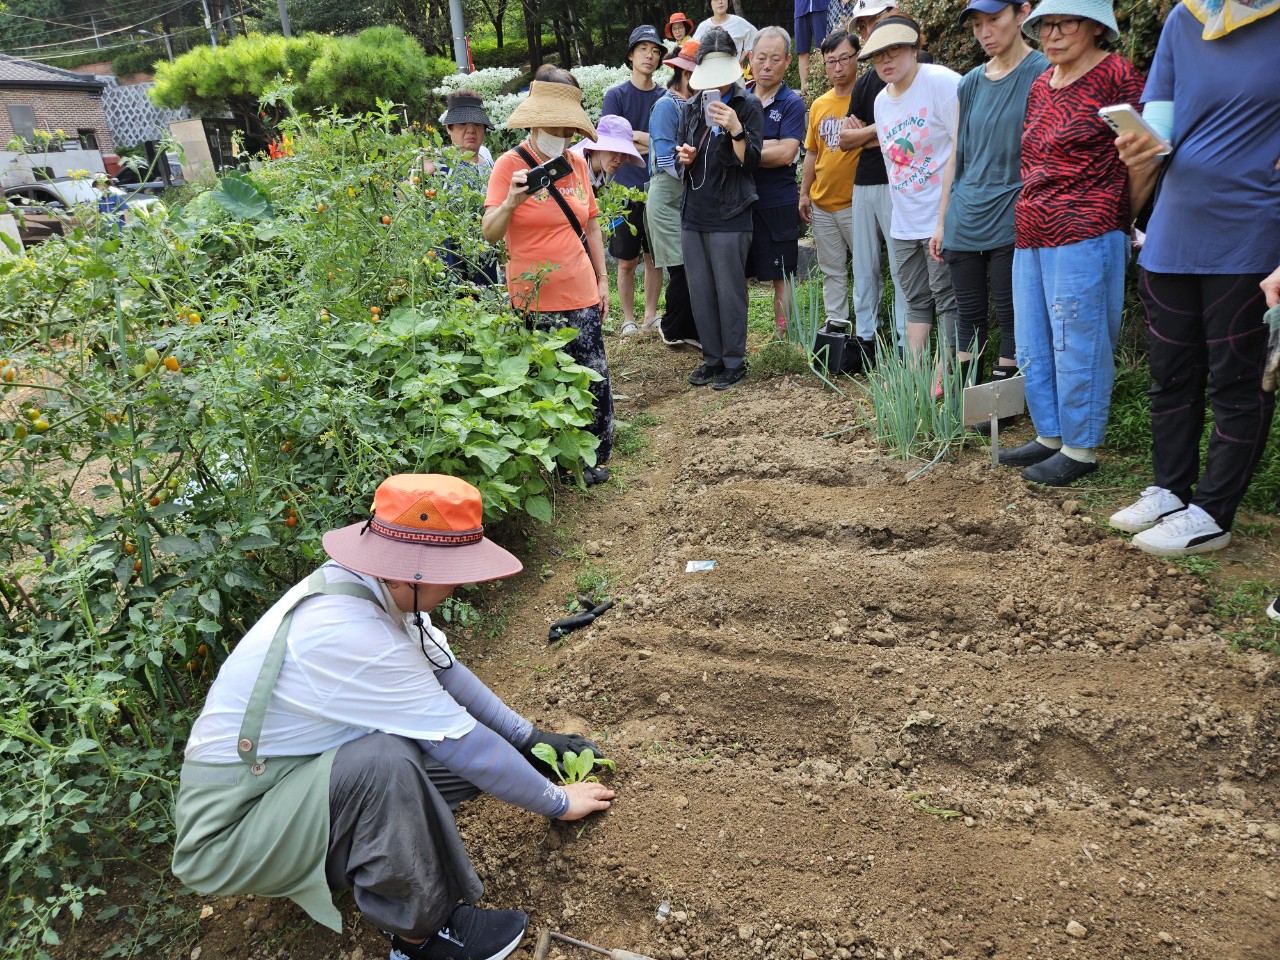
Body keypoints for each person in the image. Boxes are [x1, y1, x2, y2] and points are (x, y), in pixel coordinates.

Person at [172, 473, 615, 960]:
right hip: (232, 826)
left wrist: (528, 739)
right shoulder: (352, 631)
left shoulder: (374, 590)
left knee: (457, 755)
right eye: (455, 572)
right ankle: (421, 937)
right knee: (385, 762)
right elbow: (463, 743)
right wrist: (557, 802)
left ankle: (364, 854)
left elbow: (448, 674)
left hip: (290, 783)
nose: (461, 583)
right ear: (414, 573)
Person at [1107, 2, 1279, 554]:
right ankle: (1170, 488)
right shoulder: (1187, 19)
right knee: (1172, 375)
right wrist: (1142, 141)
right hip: (1174, 229)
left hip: (1251, 231)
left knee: (1238, 382)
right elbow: (1162, 117)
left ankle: (1213, 512)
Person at [997, 0, 1145, 486]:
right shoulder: (1043, 82)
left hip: (1087, 228)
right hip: (1032, 228)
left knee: (1077, 340)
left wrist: (1122, 217)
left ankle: (1080, 449)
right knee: (1036, 339)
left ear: (1095, 26)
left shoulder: (1118, 76)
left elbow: (1143, 158)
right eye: (1044, 25)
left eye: (1065, 23)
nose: (1052, 34)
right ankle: (1051, 436)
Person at [482, 71, 614, 487]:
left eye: (569, 127)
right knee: (545, 383)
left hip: (580, 288)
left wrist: (603, 279)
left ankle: (591, 458)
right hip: (532, 295)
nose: (563, 135)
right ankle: (552, 466)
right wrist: (510, 202)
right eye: (556, 126)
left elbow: (591, 225)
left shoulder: (575, 163)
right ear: (536, 121)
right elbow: (489, 231)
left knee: (591, 375)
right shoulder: (509, 165)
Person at [930, 1, 1046, 394]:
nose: (985, 32)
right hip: (965, 214)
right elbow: (955, 157)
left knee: (1012, 312)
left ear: (1022, 13)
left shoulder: (1042, 72)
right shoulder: (971, 82)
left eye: (995, 20)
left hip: (1013, 213)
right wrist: (942, 221)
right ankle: (966, 399)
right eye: (978, 24)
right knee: (969, 315)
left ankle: (1002, 402)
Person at [863, 16, 961, 361]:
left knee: (948, 296)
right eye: (877, 55)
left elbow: (962, 149)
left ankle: (947, 369)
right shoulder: (880, 101)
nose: (886, 60)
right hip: (903, 220)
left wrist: (944, 220)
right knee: (915, 297)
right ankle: (914, 369)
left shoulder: (943, 83)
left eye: (894, 50)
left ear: (914, 48)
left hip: (942, 216)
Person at [676, 27, 764, 390]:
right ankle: (711, 358)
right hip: (694, 211)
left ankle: (734, 361)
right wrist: (687, 157)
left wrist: (736, 129)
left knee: (730, 290)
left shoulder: (749, 105)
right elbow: (683, 158)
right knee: (700, 289)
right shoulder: (692, 106)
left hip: (731, 213)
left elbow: (751, 162)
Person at [841, 0, 917, 359]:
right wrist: (883, 131)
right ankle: (866, 336)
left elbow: (910, 123)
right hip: (863, 181)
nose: (868, 29)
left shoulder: (919, 64)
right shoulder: (867, 78)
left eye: (874, 19)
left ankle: (906, 341)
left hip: (898, 181)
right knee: (864, 265)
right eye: (863, 24)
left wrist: (871, 133)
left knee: (903, 266)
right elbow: (844, 140)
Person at [603, 26, 668, 337]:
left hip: (658, 187)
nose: (649, 55)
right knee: (626, 261)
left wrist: (637, 139)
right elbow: (613, 142)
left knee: (655, 257)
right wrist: (648, 140)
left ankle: (651, 315)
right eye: (643, 49)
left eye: (655, 50)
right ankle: (628, 318)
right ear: (630, 55)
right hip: (623, 189)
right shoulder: (615, 96)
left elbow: (666, 142)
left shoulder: (665, 97)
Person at [799, 30, 861, 342]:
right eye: (830, 62)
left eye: (843, 59)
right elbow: (812, 151)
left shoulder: (867, 97)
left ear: (856, 58)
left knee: (864, 269)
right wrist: (804, 192)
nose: (837, 67)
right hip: (822, 203)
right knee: (831, 269)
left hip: (856, 203)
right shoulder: (820, 105)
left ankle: (866, 330)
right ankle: (837, 325)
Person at [747, 27, 806, 334]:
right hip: (740, 203)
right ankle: (737, 341)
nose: (766, 65)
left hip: (777, 203)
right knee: (737, 274)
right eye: (761, 57)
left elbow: (786, 153)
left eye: (774, 58)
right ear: (750, 59)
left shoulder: (791, 103)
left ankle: (785, 338)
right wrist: (767, 145)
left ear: (786, 61)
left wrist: (745, 147)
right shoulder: (738, 98)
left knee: (783, 275)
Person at [646, 38, 702, 349]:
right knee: (681, 265)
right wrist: (692, 174)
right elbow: (666, 158)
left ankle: (687, 327)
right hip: (668, 193)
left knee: (691, 263)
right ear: (682, 73)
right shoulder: (667, 105)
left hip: (686, 193)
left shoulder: (695, 104)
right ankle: (673, 327)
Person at [422, 89, 501, 287]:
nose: (470, 130)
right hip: (451, 270)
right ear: (449, 128)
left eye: (476, 124)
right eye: (463, 124)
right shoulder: (437, 164)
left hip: (486, 267)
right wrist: (421, 175)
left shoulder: (490, 165)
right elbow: (401, 197)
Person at [570, 113, 645, 188]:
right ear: (600, 145)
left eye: (625, 153)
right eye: (614, 150)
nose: (618, 160)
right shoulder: (572, 168)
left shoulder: (599, 172)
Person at [693, 0, 758, 62]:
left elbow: (756, 37)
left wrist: (742, 58)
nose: (720, 2)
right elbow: (693, 48)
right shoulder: (703, 26)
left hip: (733, 71)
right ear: (710, 2)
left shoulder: (738, 22)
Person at [794, 0, 830, 95]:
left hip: (821, 6)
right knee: (802, 50)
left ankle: (825, 88)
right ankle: (804, 90)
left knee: (824, 48)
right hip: (801, 7)